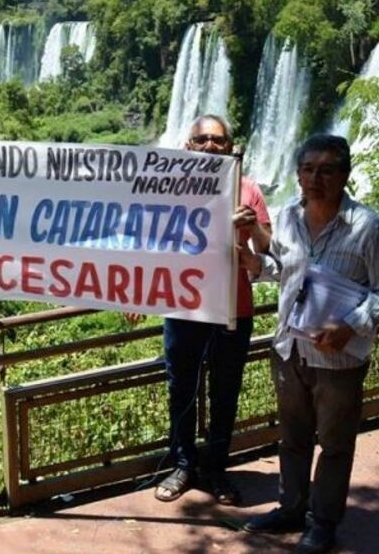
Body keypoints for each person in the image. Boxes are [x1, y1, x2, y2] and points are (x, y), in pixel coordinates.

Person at [240, 135, 379, 554]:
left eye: (327, 170)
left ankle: (323, 523)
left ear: (345, 174)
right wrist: (255, 263)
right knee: (292, 437)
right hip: (289, 348)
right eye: (308, 170)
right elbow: (280, 268)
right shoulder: (289, 217)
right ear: (298, 175)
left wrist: (350, 327)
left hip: (339, 356)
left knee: (334, 443)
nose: (316, 178)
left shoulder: (369, 227)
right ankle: (290, 508)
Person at [132, 115, 271, 506]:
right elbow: (151, 245)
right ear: (188, 146)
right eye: (202, 140)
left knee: (226, 393)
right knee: (182, 389)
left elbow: (268, 247)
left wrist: (250, 231)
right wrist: (138, 295)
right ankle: (182, 465)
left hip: (233, 309)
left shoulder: (249, 190)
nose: (211, 146)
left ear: (232, 147)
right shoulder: (169, 189)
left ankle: (216, 469)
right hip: (183, 307)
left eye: (219, 140)